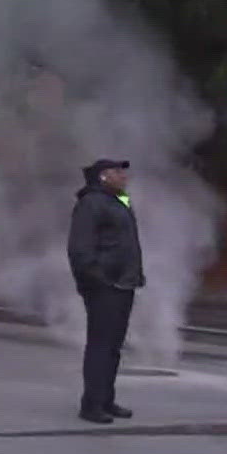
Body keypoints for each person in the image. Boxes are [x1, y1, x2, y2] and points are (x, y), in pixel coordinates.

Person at [68, 158, 143, 425]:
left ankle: (106, 399)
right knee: (100, 345)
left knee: (113, 346)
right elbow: (80, 249)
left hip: (124, 284)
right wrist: (98, 279)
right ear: (102, 176)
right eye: (117, 172)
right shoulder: (91, 203)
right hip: (105, 286)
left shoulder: (119, 201)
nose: (124, 176)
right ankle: (91, 404)